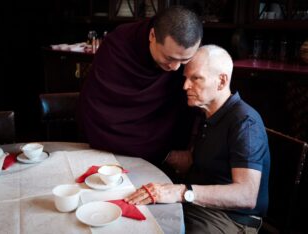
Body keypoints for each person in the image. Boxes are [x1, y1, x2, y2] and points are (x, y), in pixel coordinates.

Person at [125, 45, 270, 233]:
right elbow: (198, 162)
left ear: (221, 81)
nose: (185, 86)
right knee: (134, 210)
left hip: (234, 219)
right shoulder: (207, 113)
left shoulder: (245, 123)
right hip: (200, 205)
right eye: (186, 78)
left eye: (196, 78)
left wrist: (180, 192)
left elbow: (246, 196)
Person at [78, 6, 203, 165]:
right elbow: (98, 112)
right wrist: (165, 155)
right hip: (111, 153)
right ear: (152, 35)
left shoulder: (187, 59)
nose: (175, 68)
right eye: (169, 58)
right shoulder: (117, 46)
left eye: (184, 60)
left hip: (168, 153)